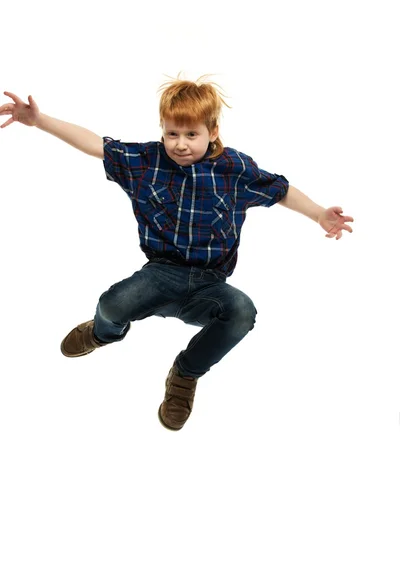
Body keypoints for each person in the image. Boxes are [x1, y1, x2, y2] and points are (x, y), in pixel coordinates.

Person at [0, 76, 354, 431]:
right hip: (160, 274)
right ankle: (103, 333)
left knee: (243, 312)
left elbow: (281, 191)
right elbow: (96, 145)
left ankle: (185, 375)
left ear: (212, 131)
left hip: (209, 284)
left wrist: (319, 213)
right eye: (172, 134)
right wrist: (39, 121)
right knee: (111, 304)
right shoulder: (146, 161)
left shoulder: (234, 168)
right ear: (162, 130)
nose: (180, 144)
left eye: (191, 135)